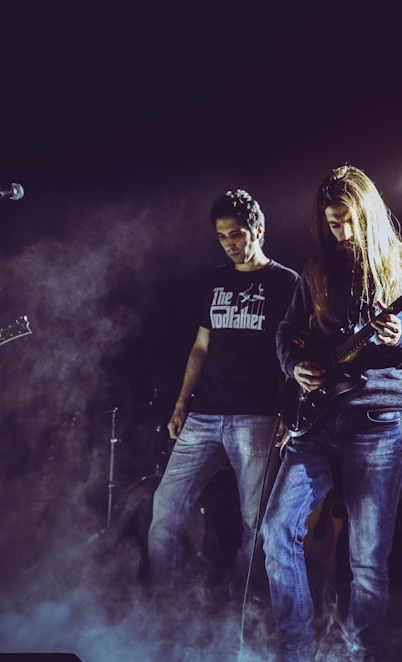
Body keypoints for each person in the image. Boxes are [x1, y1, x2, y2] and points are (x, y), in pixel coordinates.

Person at [262, 165, 402, 661]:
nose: (341, 233)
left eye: (348, 221)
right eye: (332, 223)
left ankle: (362, 653)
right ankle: (297, 648)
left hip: (377, 426)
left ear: (368, 214)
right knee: (274, 531)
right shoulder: (317, 270)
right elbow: (286, 332)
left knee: (367, 558)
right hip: (317, 422)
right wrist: (296, 365)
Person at [147, 189, 299, 598]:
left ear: (258, 230)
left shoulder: (287, 283)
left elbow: (294, 356)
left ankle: (240, 600)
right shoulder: (214, 280)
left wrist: (288, 412)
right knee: (166, 504)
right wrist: (181, 403)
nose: (231, 243)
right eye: (222, 236)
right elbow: (201, 346)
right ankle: (165, 603)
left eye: (237, 234)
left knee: (257, 521)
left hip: (258, 417)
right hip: (204, 415)